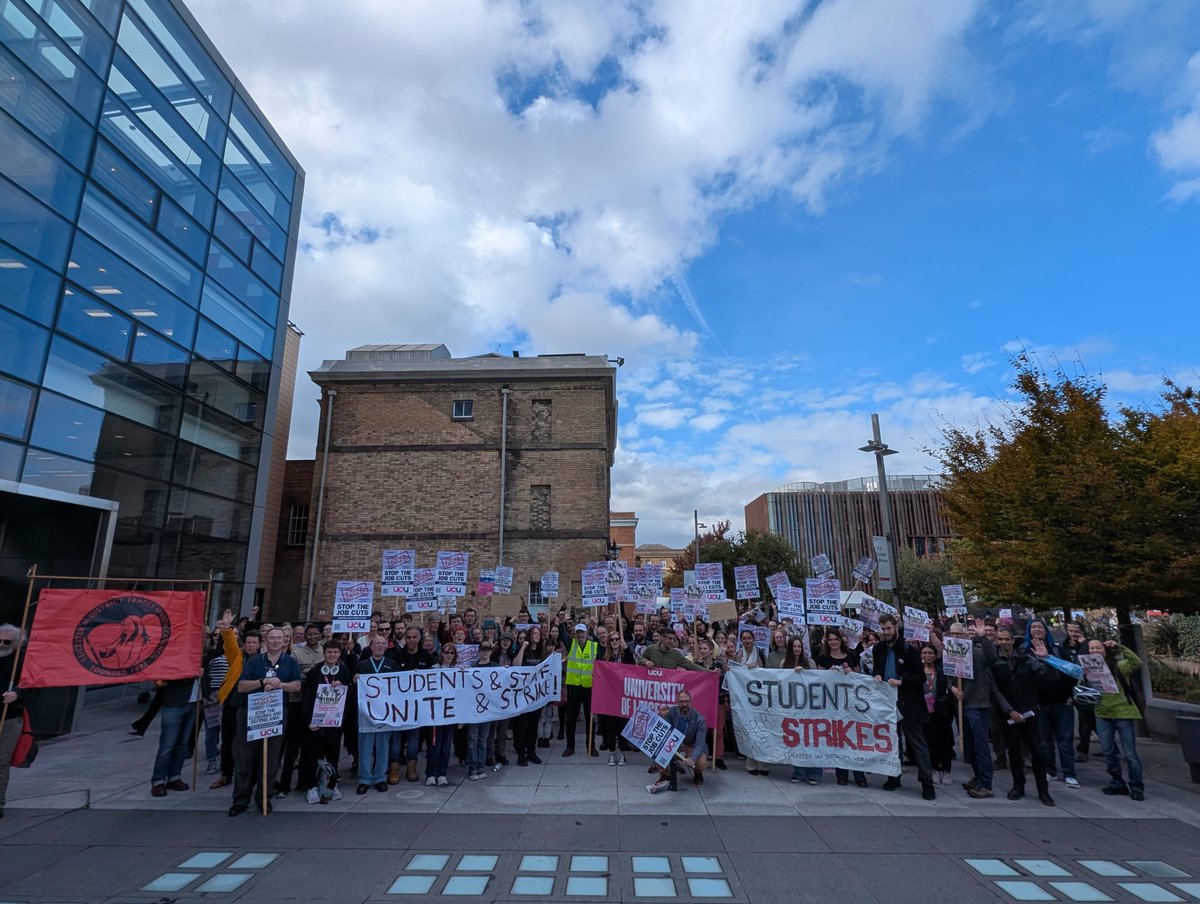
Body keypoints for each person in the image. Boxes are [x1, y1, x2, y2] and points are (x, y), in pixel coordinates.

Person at [230, 626, 301, 816]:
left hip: (275, 713)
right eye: (272, 638)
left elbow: (296, 686)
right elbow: (242, 686)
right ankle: (240, 799)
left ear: (284, 641)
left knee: (270, 759)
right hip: (251, 713)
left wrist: (280, 684)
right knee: (245, 758)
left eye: (279, 638)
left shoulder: (290, 662)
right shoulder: (254, 662)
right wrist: (262, 682)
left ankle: (264, 798)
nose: (276, 641)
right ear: (265, 641)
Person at [872, 614, 936, 800]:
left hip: (909, 701)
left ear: (896, 627)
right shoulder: (878, 649)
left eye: (888, 628)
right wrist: (877, 675)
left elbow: (920, 677)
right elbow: (877, 668)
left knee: (917, 742)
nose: (885, 632)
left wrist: (902, 681)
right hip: (888, 701)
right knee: (893, 741)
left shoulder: (909, 650)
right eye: (882, 629)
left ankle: (926, 782)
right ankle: (894, 776)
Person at [991, 628, 1055, 806]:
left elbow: (1046, 676)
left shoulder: (1026, 658)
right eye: (1000, 639)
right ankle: (1018, 785)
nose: (1003, 642)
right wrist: (1009, 710)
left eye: (1006, 639)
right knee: (1014, 751)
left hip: (1030, 711)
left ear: (1013, 640)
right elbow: (995, 690)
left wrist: (1045, 659)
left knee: (1037, 752)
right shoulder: (995, 662)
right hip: (1009, 714)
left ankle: (1043, 790)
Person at [951, 621, 1003, 800]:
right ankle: (978, 776)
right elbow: (949, 676)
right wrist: (952, 688)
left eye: (959, 634)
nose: (955, 637)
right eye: (952, 634)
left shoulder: (977, 652)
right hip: (962, 704)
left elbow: (992, 659)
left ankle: (986, 783)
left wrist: (982, 637)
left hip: (977, 704)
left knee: (980, 746)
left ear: (966, 635)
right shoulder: (951, 653)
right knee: (970, 747)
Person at [1089, 638, 1145, 801]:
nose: (1094, 651)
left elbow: (1136, 662)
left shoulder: (1119, 666)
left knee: (1130, 753)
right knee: (1108, 752)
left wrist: (1119, 647)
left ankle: (1136, 785)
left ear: (1105, 650)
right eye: (1091, 648)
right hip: (1102, 713)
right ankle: (1117, 782)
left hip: (1123, 713)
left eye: (1098, 648)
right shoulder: (1088, 669)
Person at [1026, 616, 1079, 789]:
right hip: (1039, 703)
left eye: (1039, 627)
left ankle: (1069, 773)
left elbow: (1071, 671)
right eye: (1033, 627)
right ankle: (1050, 770)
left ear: (1045, 630)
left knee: (1065, 740)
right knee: (1044, 741)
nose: (1036, 630)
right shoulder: (1025, 651)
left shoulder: (1057, 650)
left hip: (1061, 701)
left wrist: (1069, 693)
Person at [299, 642, 351, 803]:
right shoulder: (315, 672)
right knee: (313, 755)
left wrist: (341, 686)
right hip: (317, 721)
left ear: (339, 654)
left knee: (333, 755)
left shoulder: (343, 671)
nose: (332, 655)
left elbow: (348, 697)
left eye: (335, 652)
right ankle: (312, 787)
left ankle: (331, 785)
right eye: (329, 652)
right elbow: (307, 698)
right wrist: (308, 721)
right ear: (324, 653)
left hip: (334, 723)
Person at [815, 631, 868, 787]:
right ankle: (842, 774)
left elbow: (860, 676)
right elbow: (817, 679)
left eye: (836, 639)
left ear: (840, 640)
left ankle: (859, 775)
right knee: (839, 738)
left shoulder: (850, 656)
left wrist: (852, 673)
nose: (833, 642)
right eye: (830, 640)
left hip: (852, 703)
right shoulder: (823, 658)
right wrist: (828, 674)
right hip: (834, 703)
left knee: (855, 738)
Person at [277, 624, 324, 798]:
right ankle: (284, 784)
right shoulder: (296, 654)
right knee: (292, 746)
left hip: (316, 702)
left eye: (315, 634)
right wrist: (310, 674)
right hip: (297, 702)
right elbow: (294, 675)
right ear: (304, 636)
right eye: (309, 634)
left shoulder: (324, 651)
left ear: (319, 635)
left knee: (310, 746)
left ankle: (305, 782)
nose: (312, 637)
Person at [388, 626, 436, 782]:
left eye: (414, 637)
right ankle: (394, 767)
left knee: (414, 737)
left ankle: (411, 766)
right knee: (396, 738)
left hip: (417, 706)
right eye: (408, 637)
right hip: (398, 706)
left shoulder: (426, 657)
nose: (411, 640)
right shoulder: (396, 657)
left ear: (419, 638)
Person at [354, 634, 399, 794]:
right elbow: (354, 686)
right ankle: (365, 778)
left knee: (383, 745)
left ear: (386, 646)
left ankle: (380, 777)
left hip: (385, 711)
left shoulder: (392, 664)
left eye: (382, 643)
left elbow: (400, 685)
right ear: (371, 646)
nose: (380, 646)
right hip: (366, 712)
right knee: (365, 746)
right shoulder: (362, 665)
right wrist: (355, 680)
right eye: (377, 643)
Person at [149, 676, 200, 797]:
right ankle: (158, 780)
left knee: (183, 744)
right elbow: (163, 678)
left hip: (194, 702)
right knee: (168, 744)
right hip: (175, 702)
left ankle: (174, 777)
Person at [651, 691, 709, 791]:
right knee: (657, 753)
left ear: (691, 702)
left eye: (687, 701)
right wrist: (661, 715)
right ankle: (665, 775)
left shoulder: (700, 719)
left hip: (691, 745)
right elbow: (660, 728)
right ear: (677, 702)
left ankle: (698, 772)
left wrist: (693, 758)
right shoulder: (671, 712)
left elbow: (700, 743)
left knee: (701, 762)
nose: (684, 704)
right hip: (674, 745)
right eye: (681, 701)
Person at [732, 629, 769, 776]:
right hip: (744, 698)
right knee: (749, 729)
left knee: (763, 729)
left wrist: (756, 668)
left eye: (749, 638)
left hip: (759, 697)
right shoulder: (738, 655)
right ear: (741, 640)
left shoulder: (760, 654)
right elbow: (734, 673)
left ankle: (763, 763)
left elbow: (767, 673)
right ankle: (751, 762)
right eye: (744, 638)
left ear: (753, 639)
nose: (747, 640)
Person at [0, 623, 26, 819]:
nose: (1, 644)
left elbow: (30, 683)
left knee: (1, 761)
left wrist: (17, 693)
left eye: (6, 642)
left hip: (9, 718)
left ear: (16, 644)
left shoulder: (21, 660)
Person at [918, 644, 954, 784]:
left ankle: (946, 769)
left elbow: (949, 687)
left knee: (944, 741)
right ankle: (934, 768)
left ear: (935, 655)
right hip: (925, 711)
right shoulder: (918, 671)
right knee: (930, 742)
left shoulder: (942, 671)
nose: (927, 655)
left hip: (941, 710)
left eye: (930, 653)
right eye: (924, 653)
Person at [425, 643, 461, 786]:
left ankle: (442, 773)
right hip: (436, 714)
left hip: (450, 714)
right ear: (442, 654)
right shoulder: (434, 669)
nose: (449, 655)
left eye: (452, 653)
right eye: (446, 652)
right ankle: (430, 773)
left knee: (446, 747)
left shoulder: (458, 671)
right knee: (435, 745)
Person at [598, 630, 635, 765]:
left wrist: (627, 649)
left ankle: (622, 753)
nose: (614, 641)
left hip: (624, 696)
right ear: (608, 642)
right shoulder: (605, 658)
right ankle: (612, 753)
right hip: (610, 697)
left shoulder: (625, 656)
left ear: (620, 641)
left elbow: (633, 667)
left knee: (623, 725)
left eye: (616, 639)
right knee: (610, 726)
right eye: (612, 639)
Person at [1061, 621, 1095, 762]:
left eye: (1076, 631)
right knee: (1089, 719)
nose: (1073, 634)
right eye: (1071, 631)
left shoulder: (1088, 645)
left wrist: (1084, 645)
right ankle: (1110, 745)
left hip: (1085, 686)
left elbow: (1090, 660)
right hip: (1069, 685)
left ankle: (1083, 750)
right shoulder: (1064, 644)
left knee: (1085, 717)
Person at [563, 623, 598, 757]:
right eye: (578, 632)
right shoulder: (571, 644)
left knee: (590, 718)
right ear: (575, 634)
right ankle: (570, 746)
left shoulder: (594, 646)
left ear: (587, 633)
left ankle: (591, 746)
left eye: (582, 632)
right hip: (574, 686)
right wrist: (561, 620)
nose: (580, 635)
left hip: (589, 687)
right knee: (571, 718)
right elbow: (562, 634)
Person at [467, 642, 500, 780]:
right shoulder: (472, 667)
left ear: (491, 651)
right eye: (483, 650)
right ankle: (473, 769)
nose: (485, 652)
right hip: (474, 710)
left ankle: (481, 768)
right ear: (479, 651)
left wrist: (506, 671)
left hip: (488, 710)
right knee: (473, 740)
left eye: (488, 650)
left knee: (482, 740)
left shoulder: (496, 667)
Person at [640, 630, 705, 671]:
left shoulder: (675, 654)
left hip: (668, 685)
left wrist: (709, 672)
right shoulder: (651, 649)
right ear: (662, 638)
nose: (672, 641)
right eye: (669, 638)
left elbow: (691, 666)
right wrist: (645, 662)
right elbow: (640, 660)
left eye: (673, 639)